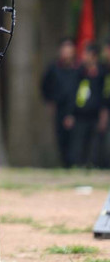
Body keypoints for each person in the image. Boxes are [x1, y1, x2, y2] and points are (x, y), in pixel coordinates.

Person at [69, 43, 109, 167]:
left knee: (95, 143)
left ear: (94, 56)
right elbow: (73, 94)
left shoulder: (103, 74)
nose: (84, 57)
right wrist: (70, 113)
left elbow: (105, 96)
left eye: (86, 54)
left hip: (96, 114)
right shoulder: (79, 72)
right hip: (80, 114)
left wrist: (104, 115)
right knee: (79, 142)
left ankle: (93, 165)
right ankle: (77, 165)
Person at [41, 37, 79, 167]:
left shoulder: (78, 69)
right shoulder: (53, 68)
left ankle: (75, 164)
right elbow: (44, 85)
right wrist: (49, 101)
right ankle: (66, 165)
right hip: (60, 108)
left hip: (77, 109)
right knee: (61, 139)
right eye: (64, 50)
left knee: (75, 139)